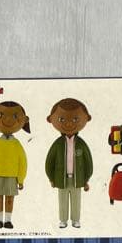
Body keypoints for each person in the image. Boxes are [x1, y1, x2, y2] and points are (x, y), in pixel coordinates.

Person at [44, 98, 93, 229]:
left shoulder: (81, 144)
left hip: (78, 179)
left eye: (75, 119)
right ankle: (63, 220)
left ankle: (76, 220)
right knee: (62, 200)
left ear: (87, 118)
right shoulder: (58, 144)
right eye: (62, 119)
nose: (69, 124)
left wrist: (86, 179)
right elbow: (49, 162)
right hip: (61, 179)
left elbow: (88, 162)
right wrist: (51, 178)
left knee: (76, 200)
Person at [0, 101, 30, 230]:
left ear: (25, 120)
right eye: (1, 115)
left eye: (15, 116)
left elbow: (22, 162)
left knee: (10, 199)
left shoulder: (17, 144)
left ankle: (8, 221)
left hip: (12, 177)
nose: (8, 120)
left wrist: (21, 179)